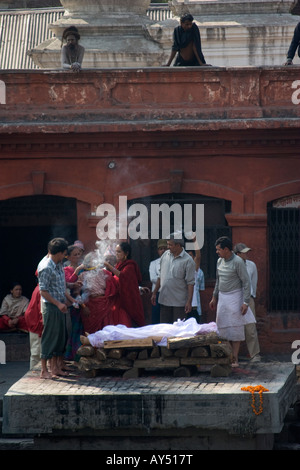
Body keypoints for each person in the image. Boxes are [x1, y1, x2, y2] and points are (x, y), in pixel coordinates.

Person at [209, 236, 256, 368]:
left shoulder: (238, 262)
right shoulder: (219, 261)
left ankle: (234, 358)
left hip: (236, 297)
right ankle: (228, 356)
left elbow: (246, 282)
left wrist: (246, 302)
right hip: (222, 298)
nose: (217, 252)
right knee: (222, 327)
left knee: (235, 329)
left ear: (226, 249)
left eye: (219, 249)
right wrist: (214, 297)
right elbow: (218, 281)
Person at [38, 238, 76, 379]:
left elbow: (61, 286)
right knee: (50, 338)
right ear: (59, 253)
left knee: (60, 337)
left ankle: (55, 367)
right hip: (52, 306)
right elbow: (43, 291)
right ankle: (44, 370)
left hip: (60, 304)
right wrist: (58, 304)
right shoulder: (46, 267)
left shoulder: (58, 263)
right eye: (64, 253)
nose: (65, 255)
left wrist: (68, 299)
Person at [78, 251, 132, 334]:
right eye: (91, 260)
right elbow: (76, 293)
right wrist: (84, 306)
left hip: (104, 304)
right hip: (90, 306)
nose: (94, 261)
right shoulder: (82, 275)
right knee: (92, 333)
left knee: (105, 331)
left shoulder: (104, 273)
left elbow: (119, 284)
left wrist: (138, 289)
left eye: (96, 259)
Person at [151, 234, 195, 324]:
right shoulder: (165, 255)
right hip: (164, 299)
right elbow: (160, 276)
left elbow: (190, 283)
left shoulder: (188, 260)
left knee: (178, 330)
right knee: (165, 329)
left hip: (179, 303)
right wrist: (155, 293)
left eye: (170, 245)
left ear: (178, 245)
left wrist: (189, 301)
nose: (168, 247)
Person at [104, 242, 146, 327]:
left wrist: (109, 266)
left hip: (128, 299)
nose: (116, 254)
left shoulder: (130, 265)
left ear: (126, 253)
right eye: (116, 252)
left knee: (128, 323)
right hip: (119, 299)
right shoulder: (119, 265)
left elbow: (122, 276)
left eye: (119, 252)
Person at [233, 242, 261, 362]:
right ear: (238, 254)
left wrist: (251, 296)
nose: (247, 255)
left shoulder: (251, 265)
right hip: (234, 298)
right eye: (244, 253)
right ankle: (233, 355)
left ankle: (254, 354)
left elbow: (253, 282)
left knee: (250, 327)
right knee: (233, 326)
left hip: (248, 299)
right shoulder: (232, 264)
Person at [64, 244, 85, 361]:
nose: (78, 257)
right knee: (74, 330)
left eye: (79, 254)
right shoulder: (66, 270)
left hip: (85, 300)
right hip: (73, 303)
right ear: (68, 257)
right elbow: (67, 284)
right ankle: (73, 354)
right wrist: (76, 271)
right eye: (75, 255)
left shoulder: (84, 268)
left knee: (83, 329)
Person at [149, 239, 168, 324]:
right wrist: (165, 278)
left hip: (169, 293)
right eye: (161, 249)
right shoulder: (153, 263)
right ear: (158, 251)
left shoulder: (173, 262)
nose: (163, 250)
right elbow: (153, 278)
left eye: (165, 248)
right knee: (156, 316)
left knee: (167, 317)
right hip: (157, 293)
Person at [187, 250, 205, 323]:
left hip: (193, 307)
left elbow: (198, 257)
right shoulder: (179, 269)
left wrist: (195, 240)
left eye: (190, 255)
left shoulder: (194, 270)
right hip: (180, 306)